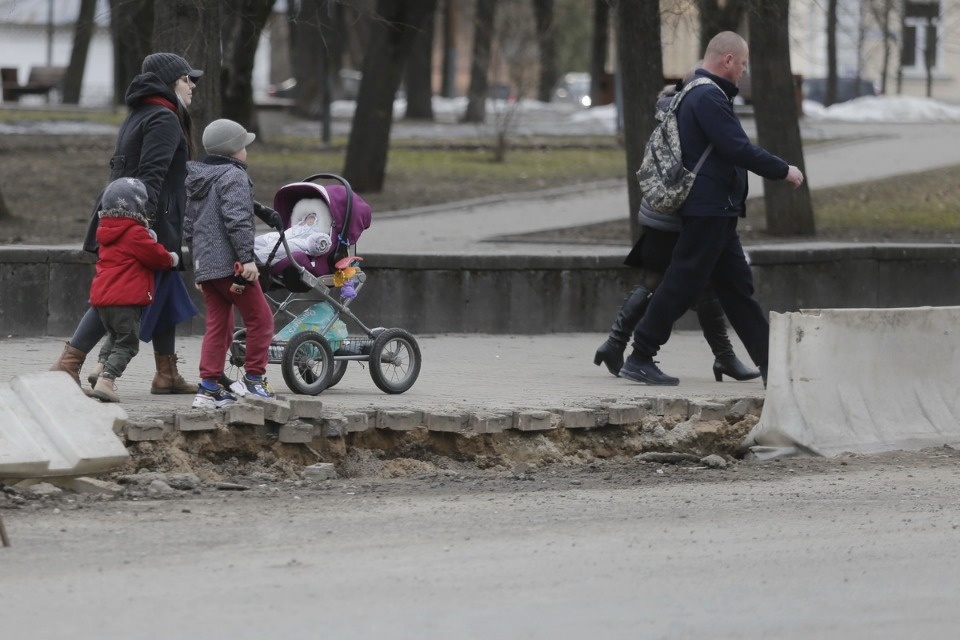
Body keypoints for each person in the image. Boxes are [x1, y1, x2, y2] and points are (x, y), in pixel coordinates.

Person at [620, 31, 804, 386]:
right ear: (728, 60)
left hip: (718, 209)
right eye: (744, 64)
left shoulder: (702, 93)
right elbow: (736, 147)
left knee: (737, 289)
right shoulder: (707, 96)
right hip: (709, 208)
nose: (744, 71)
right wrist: (784, 170)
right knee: (681, 282)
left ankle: (773, 367)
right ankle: (640, 355)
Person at [50, 52, 203, 395]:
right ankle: (68, 363)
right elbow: (151, 177)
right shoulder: (163, 119)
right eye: (185, 78)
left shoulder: (141, 113)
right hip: (148, 225)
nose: (192, 85)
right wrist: (143, 231)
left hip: (129, 217)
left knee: (165, 293)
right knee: (120, 294)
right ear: (168, 82)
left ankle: (166, 374)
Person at [594, 74, 759, 383]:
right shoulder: (689, 117)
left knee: (664, 281)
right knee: (685, 284)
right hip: (675, 219)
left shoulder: (669, 116)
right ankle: (718, 358)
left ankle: (617, 345)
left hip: (660, 216)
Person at [184, 118, 276, 409]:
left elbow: (189, 226)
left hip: (207, 267)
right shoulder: (233, 176)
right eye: (244, 145)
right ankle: (253, 380)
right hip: (233, 267)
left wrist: (197, 267)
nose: (246, 151)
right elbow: (238, 221)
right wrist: (247, 259)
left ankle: (208, 388)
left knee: (218, 326)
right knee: (261, 320)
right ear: (235, 150)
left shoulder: (198, 178)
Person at [88, 178, 179, 402]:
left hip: (102, 299)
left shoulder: (105, 231)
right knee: (128, 344)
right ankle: (107, 380)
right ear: (137, 206)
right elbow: (156, 257)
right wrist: (172, 258)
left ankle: (99, 368)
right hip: (126, 300)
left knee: (115, 336)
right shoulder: (134, 233)